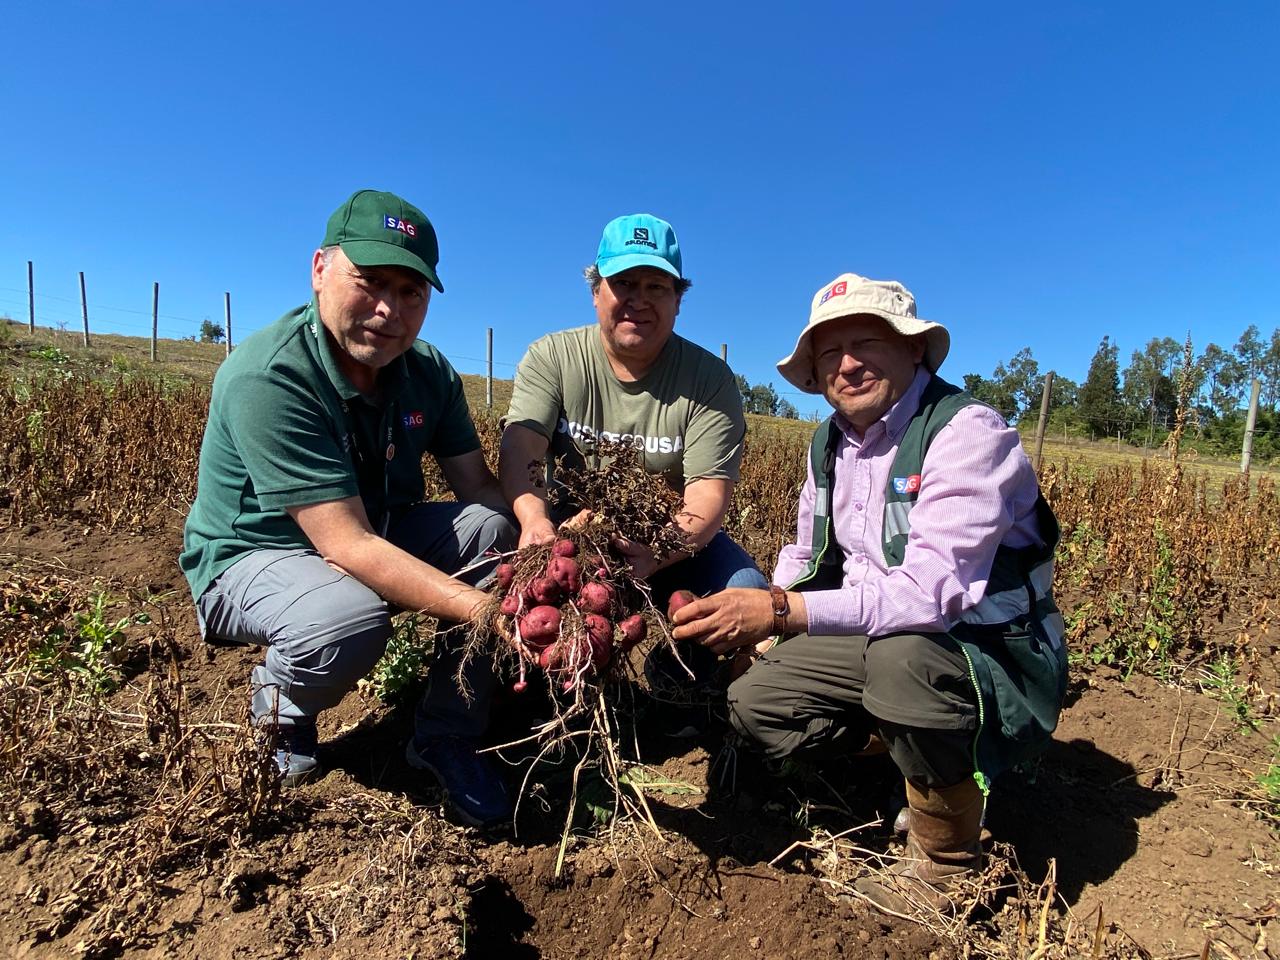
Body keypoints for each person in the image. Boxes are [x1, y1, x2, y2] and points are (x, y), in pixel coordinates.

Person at [671, 273, 1067, 914]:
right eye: (830, 352)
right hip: (882, 636)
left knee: (902, 660)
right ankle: (906, 768)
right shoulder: (829, 442)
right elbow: (808, 553)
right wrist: (771, 617)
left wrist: (780, 611)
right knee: (754, 701)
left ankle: (947, 863)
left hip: (990, 652)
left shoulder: (967, 433)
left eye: (866, 344)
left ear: (913, 348)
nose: (847, 364)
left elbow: (929, 595)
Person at [180, 189, 518, 827]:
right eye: (370, 281)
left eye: (411, 291)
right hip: (256, 556)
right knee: (348, 620)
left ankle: (447, 731)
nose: (389, 309)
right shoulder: (270, 375)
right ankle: (282, 706)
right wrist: (486, 610)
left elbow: (477, 487)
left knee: (494, 531)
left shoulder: (427, 372)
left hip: (373, 532)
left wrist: (551, 536)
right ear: (320, 269)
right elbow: (347, 544)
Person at [498, 213, 768, 721]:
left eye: (656, 287)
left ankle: (675, 689)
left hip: (667, 535)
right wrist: (536, 523)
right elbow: (521, 448)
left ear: (678, 299)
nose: (639, 300)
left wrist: (654, 554)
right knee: (509, 569)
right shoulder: (553, 356)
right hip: (566, 535)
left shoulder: (709, 381)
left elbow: (707, 498)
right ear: (595, 290)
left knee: (744, 589)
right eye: (623, 283)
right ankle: (531, 691)